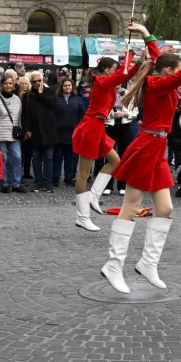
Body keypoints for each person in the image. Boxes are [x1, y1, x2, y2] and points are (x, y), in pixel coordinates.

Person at [99, 19, 181, 294]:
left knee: (165, 208)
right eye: (174, 69)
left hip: (156, 148)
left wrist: (147, 33)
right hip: (147, 145)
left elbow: (158, 56)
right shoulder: (158, 82)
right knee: (131, 207)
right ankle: (113, 265)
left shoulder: (160, 78)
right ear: (168, 71)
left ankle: (148, 263)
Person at [71, 42, 147, 228]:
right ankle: (82, 216)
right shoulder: (103, 82)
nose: (117, 73)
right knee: (83, 174)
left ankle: (94, 196)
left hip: (98, 126)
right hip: (91, 126)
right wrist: (134, 58)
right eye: (113, 69)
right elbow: (124, 73)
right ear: (106, 70)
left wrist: (131, 56)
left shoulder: (105, 81)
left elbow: (124, 73)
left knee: (116, 162)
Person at [25, 70, 58, 192]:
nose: (38, 83)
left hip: (48, 131)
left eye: (40, 80)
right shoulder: (28, 95)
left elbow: (52, 104)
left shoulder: (49, 91)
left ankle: (48, 182)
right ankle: (38, 182)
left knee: (48, 158)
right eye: (35, 81)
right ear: (31, 82)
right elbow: (25, 114)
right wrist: (27, 129)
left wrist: (40, 94)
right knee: (36, 158)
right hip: (35, 131)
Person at [52, 77, 85, 189]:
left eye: (69, 85)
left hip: (73, 133)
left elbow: (82, 114)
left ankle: (69, 178)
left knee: (70, 158)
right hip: (58, 133)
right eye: (65, 85)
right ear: (61, 87)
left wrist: (79, 126)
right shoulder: (56, 99)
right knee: (57, 157)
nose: (67, 87)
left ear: (72, 87)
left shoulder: (77, 99)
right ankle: (55, 179)